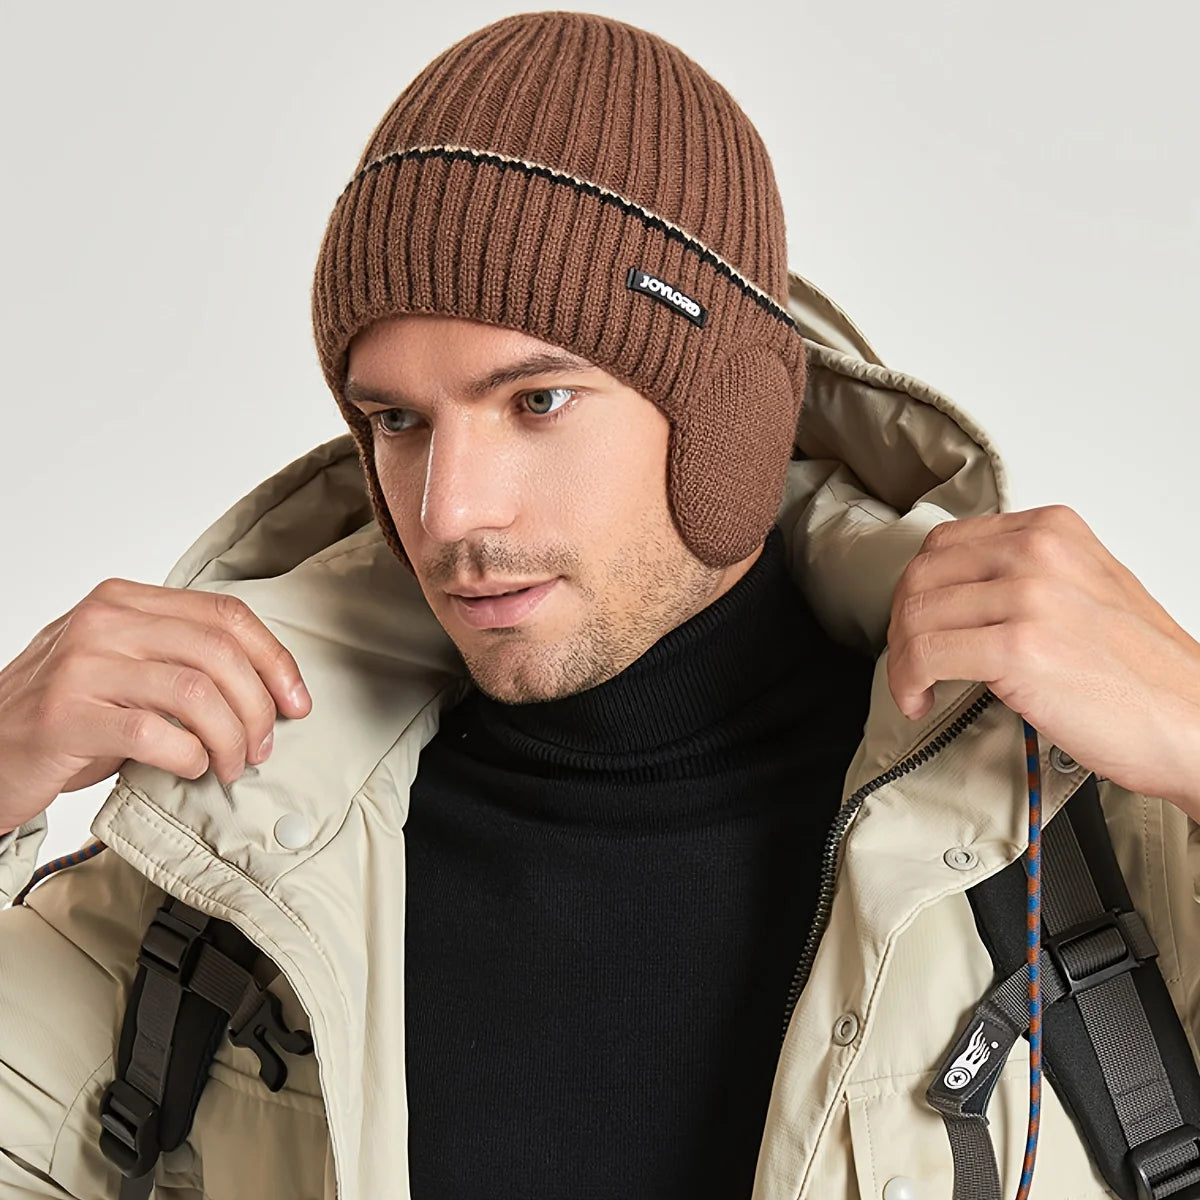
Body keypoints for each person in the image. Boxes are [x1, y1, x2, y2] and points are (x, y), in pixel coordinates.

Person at [1, 10, 1199, 1200]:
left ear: (731, 417)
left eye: (537, 402)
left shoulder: (1053, 826)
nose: (448, 513)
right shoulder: (242, 856)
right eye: (398, 420)